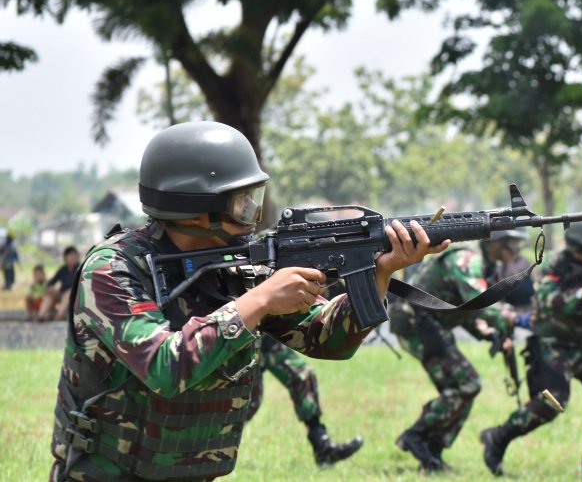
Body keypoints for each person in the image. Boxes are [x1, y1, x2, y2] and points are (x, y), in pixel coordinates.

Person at [48, 121, 447, 482]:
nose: (254, 212)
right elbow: (163, 366)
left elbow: (326, 338)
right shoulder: (114, 268)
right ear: (195, 206)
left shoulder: (235, 264)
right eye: (242, 201)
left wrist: (380, 274)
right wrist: (256, 302)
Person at [480, 221, 582, 476]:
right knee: (551, 405)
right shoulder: (555, 265)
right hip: (552, 347)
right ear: (580, 247)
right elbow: (545, 301)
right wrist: (581, 296)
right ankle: (498, 437)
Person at [389, 238, 517, 472]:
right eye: (511, 243)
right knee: (466, 384)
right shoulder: (465, 261)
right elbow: (478, 300)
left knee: (462, 389)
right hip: (417, 325)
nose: (515, 250)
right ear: (493, 244)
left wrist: (487, 333)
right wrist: (514, 318)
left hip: (429, 326)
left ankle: (431, 454)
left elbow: (463, 308)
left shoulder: (484, 265)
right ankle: (415, 436)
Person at [246, 334, 363, 466]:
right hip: (239, 332)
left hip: (263, 332)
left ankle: (322, 447)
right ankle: (220, 449)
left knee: (302, 376)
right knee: (248, 401)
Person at [38, 245, 80, 321]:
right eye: (70, 256)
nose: (73, 258)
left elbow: (74, 284)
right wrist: (50, 287)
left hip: (75, 296)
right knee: (49, 293)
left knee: (69, 292)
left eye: (74, 256)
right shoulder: (63, 269)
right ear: (65, 258)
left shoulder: (80, 269)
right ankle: (41, 315)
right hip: (62, 294)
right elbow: (52, 281)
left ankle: (59, 315)